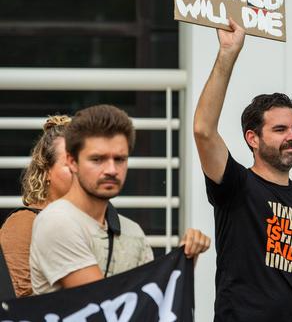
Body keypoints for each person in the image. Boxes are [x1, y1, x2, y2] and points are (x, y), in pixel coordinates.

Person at [193, 18, 292, 322]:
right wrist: (227, 54)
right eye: (279, 129)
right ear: (253, 138)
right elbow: (203, 131)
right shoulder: (236, 184)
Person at [30, 104, 210, 294]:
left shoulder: (133, 232)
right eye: (97, 159)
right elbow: (103, 304)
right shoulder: (57, 221)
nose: (111, 170)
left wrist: (184, 258)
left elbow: (154, 303)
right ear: (72, 162)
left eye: (119, 159)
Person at [0, 115, 71, 297]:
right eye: (69, 163)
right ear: (46, 170)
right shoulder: (24, 223)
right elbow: (17, 297)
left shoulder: (97, 220)